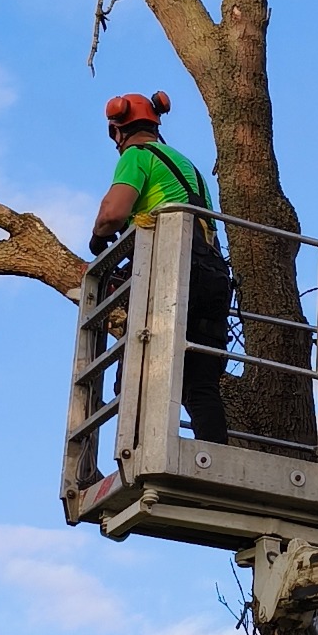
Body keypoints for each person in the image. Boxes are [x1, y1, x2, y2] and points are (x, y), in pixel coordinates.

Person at [88, 90, 232, 445]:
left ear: (118, 130)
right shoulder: (185, 165)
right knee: (200, 384)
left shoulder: (136, 155)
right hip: (213, 273)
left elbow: (113, 213)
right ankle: (212, 462)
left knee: (138, 374)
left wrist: (98, 236)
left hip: (175, 272)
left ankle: (137, 458)